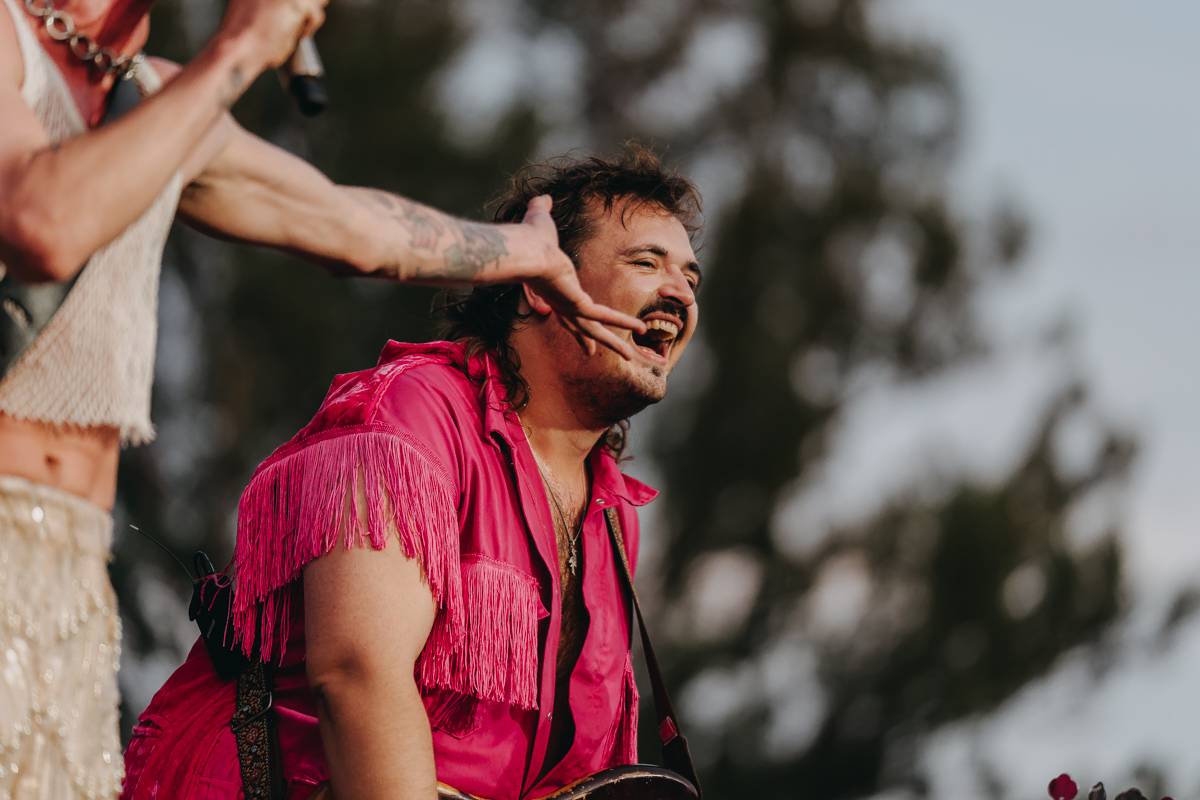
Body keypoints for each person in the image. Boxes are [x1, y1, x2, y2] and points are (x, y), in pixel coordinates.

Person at [0, 1, 645, 797]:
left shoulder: (154, 95)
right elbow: (39, 220)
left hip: (65, 574)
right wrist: (243, 44)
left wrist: (526, 254)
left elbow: (356, 229)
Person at [121, 144, 703, 799]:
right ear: (541, 285)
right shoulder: (412, 411)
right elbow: (355, 674)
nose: (679, 292)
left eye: (691, 277)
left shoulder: (614, 516)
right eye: (647, 262)